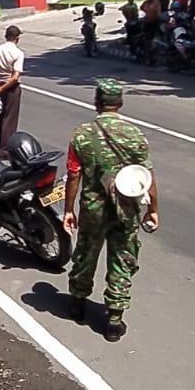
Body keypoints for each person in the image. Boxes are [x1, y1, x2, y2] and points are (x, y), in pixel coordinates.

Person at [62, 78, 160, 342]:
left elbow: (73, 175)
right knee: (122, 257)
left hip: (93, 208)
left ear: (97, 102)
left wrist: (68, 209)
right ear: (120, 103)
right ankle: (114, 319)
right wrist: (152, 210)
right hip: (126, 209)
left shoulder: (81, 135)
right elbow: (147, 177)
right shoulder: (135, 135)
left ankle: (77, 304)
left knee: (85, 253)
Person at [0, 25, 26, 160]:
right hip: (11, 88)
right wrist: (4, 87)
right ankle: (5, 150)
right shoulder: (18, 53)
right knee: (10, 119)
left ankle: (0, 144)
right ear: (17, 39)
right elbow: (15, 76)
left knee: (1, 117)